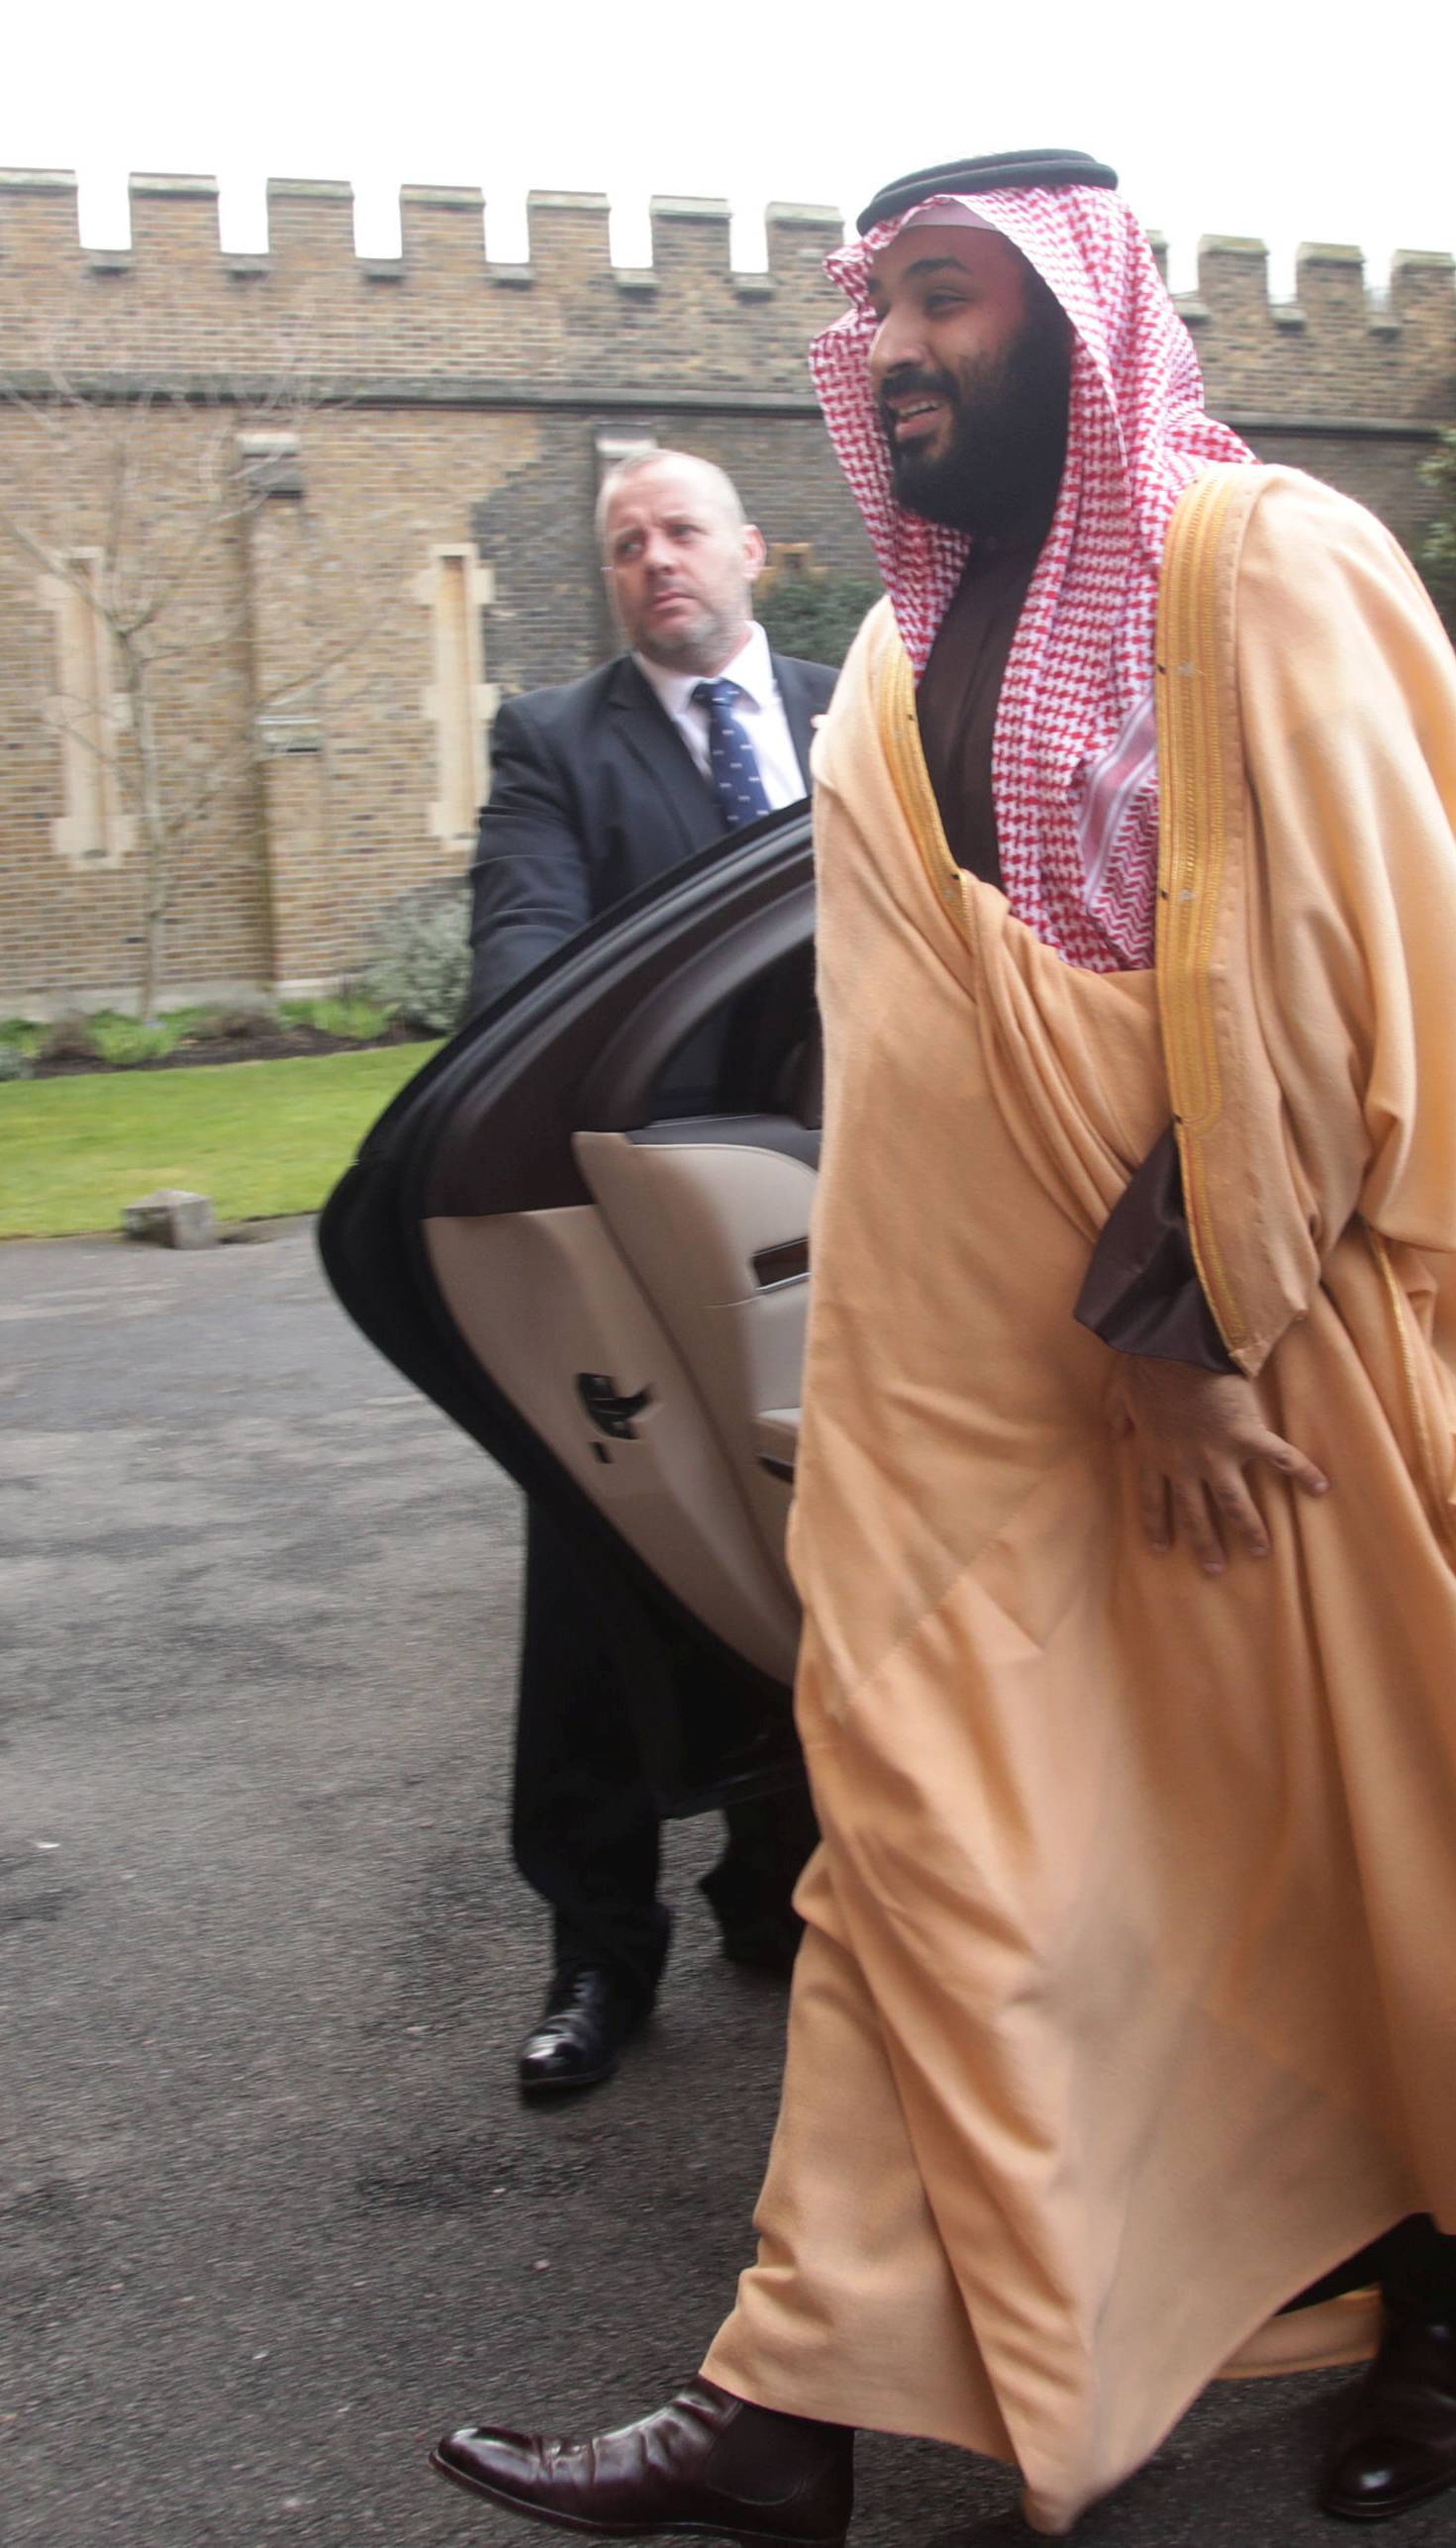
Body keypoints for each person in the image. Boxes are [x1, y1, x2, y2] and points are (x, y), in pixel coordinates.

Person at [433, 150, 1456, 2536]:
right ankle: (793, 2399)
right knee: (919, 1847)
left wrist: (1186, 1319)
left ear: (1077, 313)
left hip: (1268, 1368)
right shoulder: (904, 646)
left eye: (954, 295)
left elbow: (1367, 984)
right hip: (966, 1395)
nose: (905, 345)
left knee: (1386, 1839)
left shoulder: (1271, 567)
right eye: (882, 305)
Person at [468, 447, 835, 2093]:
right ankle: (599, 1958)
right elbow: (526, 958)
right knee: (607, 1590)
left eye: (682, 532)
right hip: (641, 1238)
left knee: (827, 1575)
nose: (655, 564)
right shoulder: (556, 742)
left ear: (753, 548)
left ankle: (782, 1895)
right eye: (626, 547)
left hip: (868, 1221)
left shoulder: (870, 706)